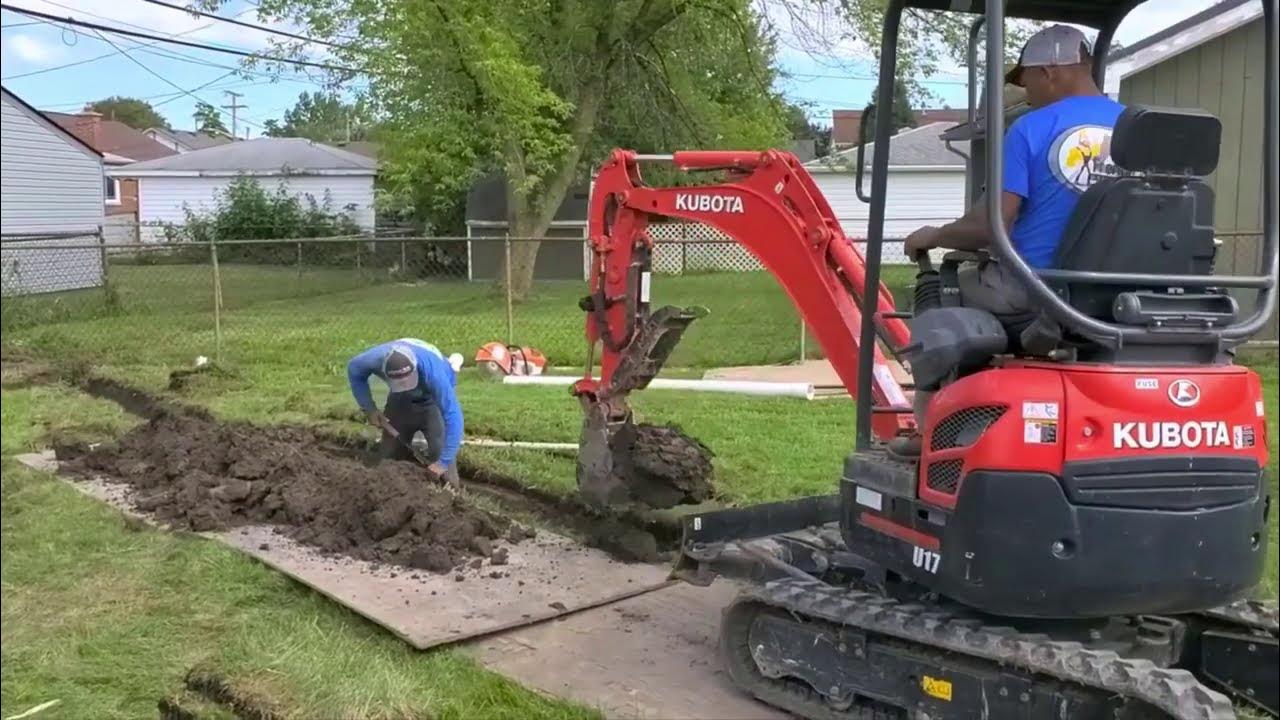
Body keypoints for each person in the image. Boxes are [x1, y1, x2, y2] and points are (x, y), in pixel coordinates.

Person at [891, 24, 1125, 457]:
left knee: (941, 293)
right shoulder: (1138, 130)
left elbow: (992, 226)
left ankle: (930, 432)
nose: (1027, 91)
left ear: (1051, 71)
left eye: (1028, 79)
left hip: (1038, 291)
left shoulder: (1030, 129)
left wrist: (937, 235)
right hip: (1121, 294)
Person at [347, 338, 465, 484]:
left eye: (407, 381)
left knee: (440, 454)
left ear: (414, 368)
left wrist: (443, 462)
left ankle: (452, 496)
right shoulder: (373, 359)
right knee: (389, 456)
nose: (404, 384)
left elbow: (453, 416)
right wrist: (370, 409)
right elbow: (354, 370)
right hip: (400, 399)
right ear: (385, 371)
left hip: (431, 400)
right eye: (399, 382)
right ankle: (386, 490)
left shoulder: (434, 373)